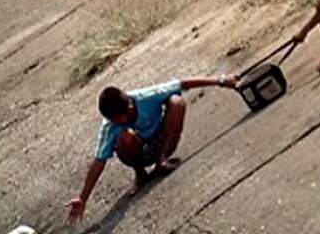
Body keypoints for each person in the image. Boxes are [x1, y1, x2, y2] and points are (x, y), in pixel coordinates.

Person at [67, 75, 238, 222]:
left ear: (129, 107)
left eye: (117, 119)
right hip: (137, 152)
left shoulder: (146, 96)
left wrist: (222, 80)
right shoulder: (110, 126)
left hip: (162, 140)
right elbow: (99, 161)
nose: (114, 123)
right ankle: (140, 173)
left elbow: (182, 84)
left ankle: (161, 160)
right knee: (124, 136)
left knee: (176, 101)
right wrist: (83, 198)